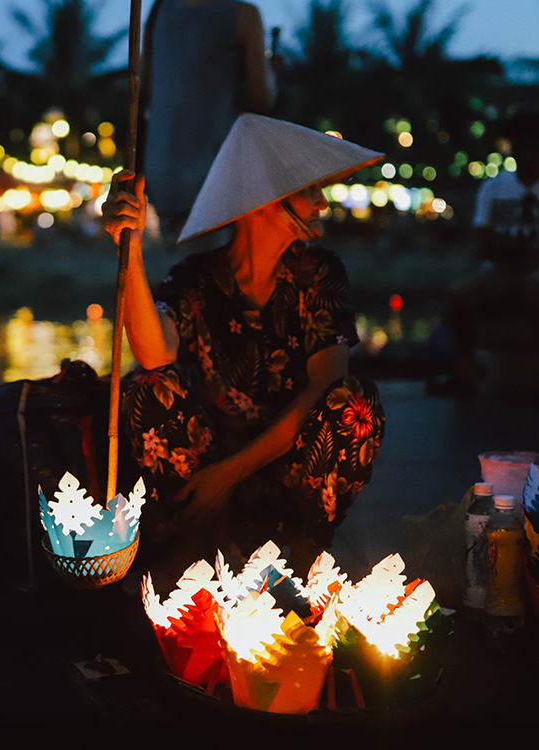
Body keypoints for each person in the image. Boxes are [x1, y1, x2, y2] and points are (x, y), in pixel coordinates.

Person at [105, 114, 385, 579]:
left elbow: (325, 389)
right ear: (267, 197)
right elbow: (154, 354)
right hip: (204, 486)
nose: (321, 203)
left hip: (286, 475)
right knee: (148, 386)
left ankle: (304, 554)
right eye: (309, 189)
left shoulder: (320, 275)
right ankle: (197, 549)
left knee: (354, 401)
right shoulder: (195, 278)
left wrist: (230, 474)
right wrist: (129, 250)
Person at [431, 111, 539, 401]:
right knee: (459, 295)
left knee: (538, 289)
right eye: (522, 145)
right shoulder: (494, 186)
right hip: (502, 268)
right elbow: (481, 238)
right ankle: (466, 371)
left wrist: (522, 251)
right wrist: (520, 252)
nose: (528, 153)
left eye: (534, 145)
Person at [140, 0, 272, 249]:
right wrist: (273, 76)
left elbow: (144, 88)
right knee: (211, 279)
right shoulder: (243, 15)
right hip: (214, 176)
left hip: (162, 171)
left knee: (177, 277)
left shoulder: (160, 10)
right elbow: (261, 98)